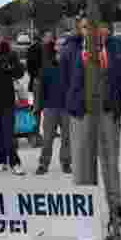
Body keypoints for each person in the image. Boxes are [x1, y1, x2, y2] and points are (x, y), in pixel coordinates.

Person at [60, 16, 121, 230]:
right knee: (82, 164)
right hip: (82, 114)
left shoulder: (117, 47)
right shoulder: (70, 48)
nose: (92, 31)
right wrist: (78, 101)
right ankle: (84, 214)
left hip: (107, 112)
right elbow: (66, 79)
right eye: (85, 27)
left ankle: (116, 211)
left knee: (110, 163)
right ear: (79, 30)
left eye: (98, 26)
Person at [0, 27, 25, 175]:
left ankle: (15, 162)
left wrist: (11, 67)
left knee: (9, 134)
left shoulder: (10, 54)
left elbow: (20, 72)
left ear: (1, 38)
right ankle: (2, 160)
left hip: (7, 99)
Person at [34, 36, 71, 174]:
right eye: (59, 44)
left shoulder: (72, 65)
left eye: (64, 44)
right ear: (55, 47)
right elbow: (40, 87)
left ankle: (66, 163)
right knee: (48, 138)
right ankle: (43, 164)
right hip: (50, 108)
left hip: (67, 108)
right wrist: (40, 106)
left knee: (67, 138)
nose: (61, 47)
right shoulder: (47, 65)